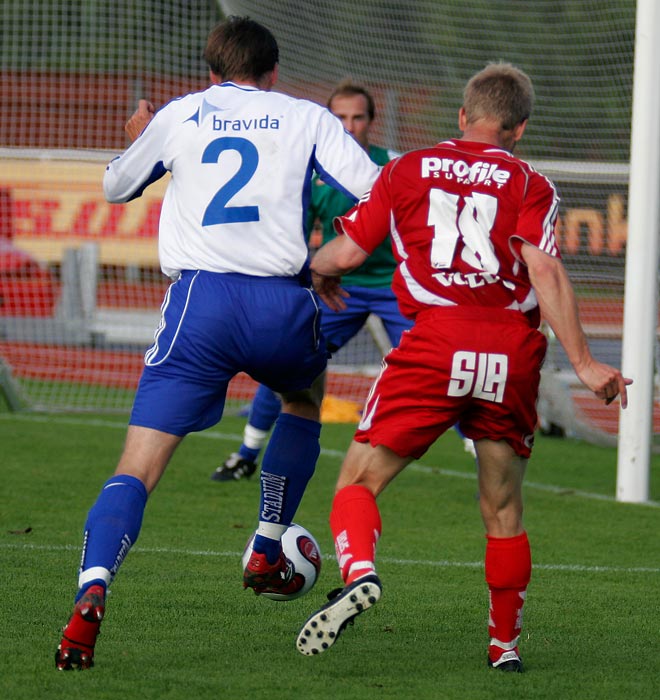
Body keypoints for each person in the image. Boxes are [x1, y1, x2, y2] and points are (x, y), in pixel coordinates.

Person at [54, 16, 380, 671]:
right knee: (303, 397)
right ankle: (265, 541)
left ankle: (94, 586)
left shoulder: (181, 114)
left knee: (137, 467)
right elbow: (373, 189)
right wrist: (327, 259)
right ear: (273, 73)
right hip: (282, 301)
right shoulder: (305, 115)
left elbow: (116, 186)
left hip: (200, 305)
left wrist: (141, 137)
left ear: (211, 71)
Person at [295, 62, 631, 672]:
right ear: (520, 128)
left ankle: (360, 573)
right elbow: (546, 271)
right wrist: (584, 364)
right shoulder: (530, 182)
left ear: (461, 116)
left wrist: (315, 270)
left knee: (357, 483)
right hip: (510, 351)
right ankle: (504, 646)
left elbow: (345, 251)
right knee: (503, 508)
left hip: (436, 340)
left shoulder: (403, 170)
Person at [212, 81, 474, 482]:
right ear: (328, 121)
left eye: (357, 117)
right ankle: (246, 454)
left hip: (394, 286)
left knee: (444, 365)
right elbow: (297, 236)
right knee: (286, 356)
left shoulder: (397, 165)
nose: (349, 126)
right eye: (340, 118)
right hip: (337, 290)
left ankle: (482, 460)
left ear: (372, 121)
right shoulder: (311, 171)